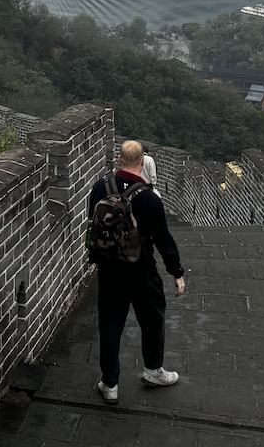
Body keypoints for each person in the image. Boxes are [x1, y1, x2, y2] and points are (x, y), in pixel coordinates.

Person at [89, 139, 185, 405]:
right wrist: (176, 273)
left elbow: (92, 223)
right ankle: (153, 371)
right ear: (142, 163)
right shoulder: (149, 198)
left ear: (119, 160)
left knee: (110, 327)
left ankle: (110, 385)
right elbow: (163, 240)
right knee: (152, 320)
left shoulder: (100, 187)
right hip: (142, 270)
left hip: (109, 270)